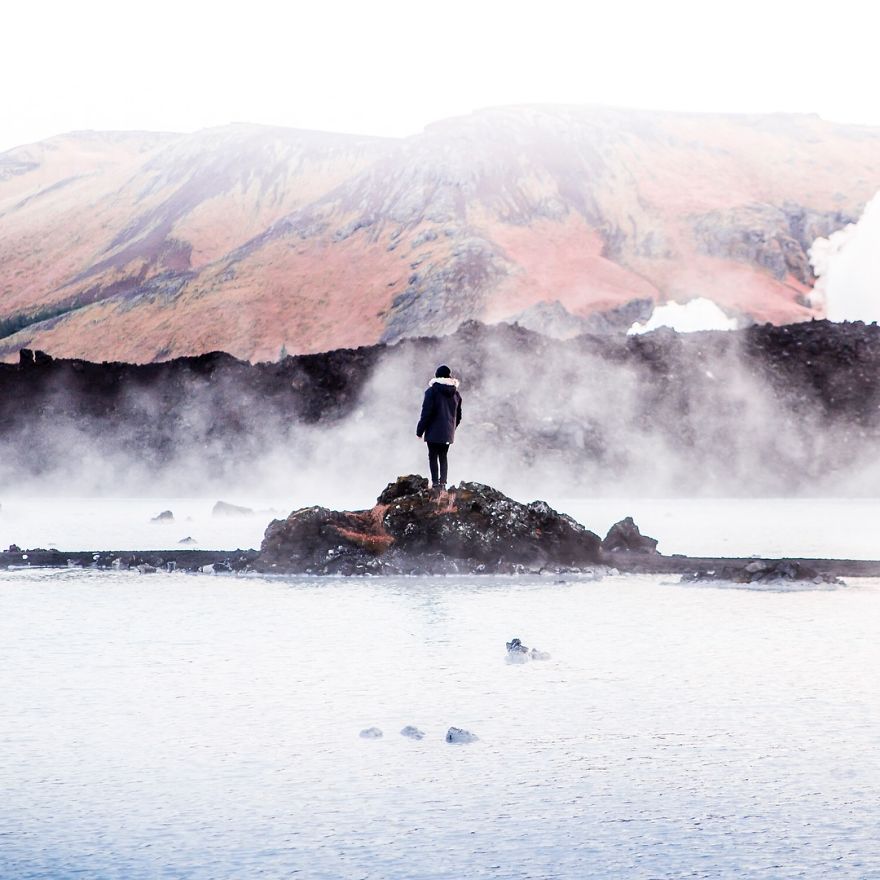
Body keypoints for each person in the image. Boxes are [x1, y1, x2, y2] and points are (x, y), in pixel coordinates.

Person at [416, 364, 462, 491]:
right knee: (443, 456)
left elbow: (426, 413)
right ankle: (443, 484)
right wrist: (451, 428)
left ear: (436, 376)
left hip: (433, 432)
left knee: (432, 456)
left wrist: (419, 431)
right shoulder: (456, 394)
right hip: (448, 432)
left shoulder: (431, 392)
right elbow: (458, 416)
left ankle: (435, 484)